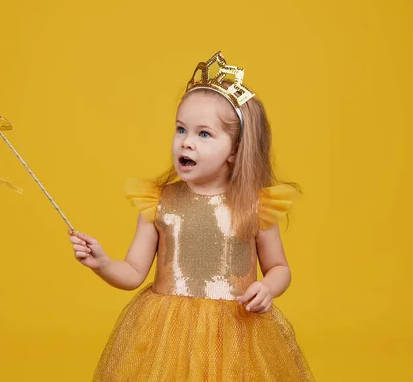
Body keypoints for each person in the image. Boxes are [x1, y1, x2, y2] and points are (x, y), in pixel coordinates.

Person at [68, 51, 315, 381]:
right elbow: (132, 273)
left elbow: (280, 268)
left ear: (235, 150)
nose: (186, 143)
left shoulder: (255, 206)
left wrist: (268, 287)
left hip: (236, 333)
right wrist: (101, 263)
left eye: (204, 134)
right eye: (181, 129)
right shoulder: (159, 201)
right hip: (165, 331)